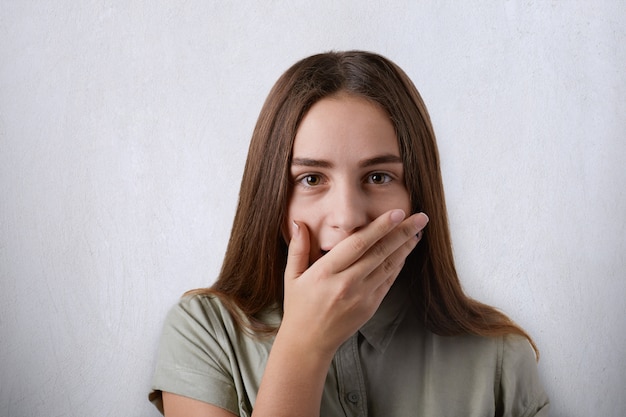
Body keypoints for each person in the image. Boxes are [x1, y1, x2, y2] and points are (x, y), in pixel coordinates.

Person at [149, 50, 549, 417]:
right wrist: (304, 346)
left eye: (378, 177)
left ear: (418, 196)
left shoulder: (498, 357)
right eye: (311, 178)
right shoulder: (205, 333)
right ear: (271, 197)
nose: (348, 217)